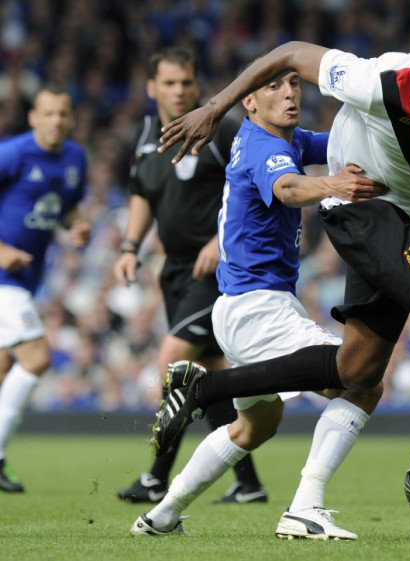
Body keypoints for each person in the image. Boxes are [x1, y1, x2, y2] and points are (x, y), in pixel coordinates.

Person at [152, 14, 410, 519]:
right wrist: (213, 107)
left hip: (401, 221)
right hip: (361, 216)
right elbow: (290, 54)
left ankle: (201, 397)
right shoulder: (374, 81)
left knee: (357, 373)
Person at [131, 68, 387, 539]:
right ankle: (305, 506)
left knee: (255, 428)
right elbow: (288, 188)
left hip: (241, 307)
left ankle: (162, 515)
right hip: (257, 308)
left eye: (294, 83)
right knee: (361, 381)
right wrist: (334, 185)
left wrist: (394, 135)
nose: (289, 92)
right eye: (273, 86)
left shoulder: (283, 140)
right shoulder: (265, 148)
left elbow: (336, 143)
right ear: (247, 103)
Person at [113, 47, 267, 504]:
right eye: (170, 83)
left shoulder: (221, 131)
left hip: (219, 269)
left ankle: (157, 478)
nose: (179, 91)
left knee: (174, 363)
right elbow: (142, 190)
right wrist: (129, 245)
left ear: (198, 86)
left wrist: (219, 240)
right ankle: (248, 484)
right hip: (175, 272)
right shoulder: (145, 136)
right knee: (210, 375)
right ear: (152, 88)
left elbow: (252, 186)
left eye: (186, 82)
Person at [0, 84, 91, 492]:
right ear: (34, 117)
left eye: (63, 114)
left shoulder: (74, 158)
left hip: (25, 281)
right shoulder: (12, 154)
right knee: (36, 357)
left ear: (71, 119)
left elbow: (66, 205)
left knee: (4, 368)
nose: (56, 120)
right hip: (3, 278)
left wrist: (77, 226)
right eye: (48, 113)